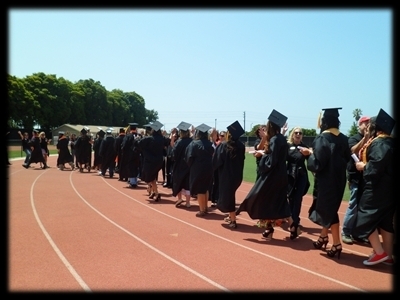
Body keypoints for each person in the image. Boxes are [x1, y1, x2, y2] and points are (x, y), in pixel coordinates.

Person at [236, 109, 292, 240]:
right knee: (276, 201)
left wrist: (262, 156)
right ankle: (274, 228)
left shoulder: (274, 140)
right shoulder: (282, 139)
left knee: (261, 198)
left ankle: (286, 226)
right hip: (282, 175)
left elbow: (270, 162)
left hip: (272, 177)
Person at [352, 109, 395, 266]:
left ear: (376, 128)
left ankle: (379, 252)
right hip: (389, 189)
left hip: (377, 188)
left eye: (370, 125)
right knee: (385, 222)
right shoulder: (391, 142)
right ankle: (389, 255)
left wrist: (363, 166)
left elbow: (376, 166)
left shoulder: (379, 143)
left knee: (364, 218)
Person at [307, 107, 351, 259]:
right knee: (329, 208)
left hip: (326, 181)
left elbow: (317, 163)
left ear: (324, 122)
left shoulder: (322, 139)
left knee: (328, 210)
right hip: (339, 180)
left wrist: (310, 155)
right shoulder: (344, 138)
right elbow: (347, 158)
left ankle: (337, 244)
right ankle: (323, 237)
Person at [341, 115, 371, 245]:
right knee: (353, 204)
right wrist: (364, 139)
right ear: (360, 125)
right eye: (365, 123)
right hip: (355, 176)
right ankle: (346, 231)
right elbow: (352, 151)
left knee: (363, 206)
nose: (367, 125)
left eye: (369, 123)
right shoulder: (353, 138)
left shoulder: (372, 139)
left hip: (366, 177)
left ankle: (358, 233)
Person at [213, 121, 245, 229]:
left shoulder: (223, 146)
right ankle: (231, 216)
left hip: (227, 175)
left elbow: (217, 161)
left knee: (229, 197)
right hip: (237, 176)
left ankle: (233, 220)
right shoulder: (241, 146)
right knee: (230, 195)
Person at [135, 121, 170, 201]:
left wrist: (137, 139)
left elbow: (138, 145)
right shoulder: (162, 139)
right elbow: (169, 142)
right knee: (153, 177)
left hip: (150, 161)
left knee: (148, 177)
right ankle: (154, 191)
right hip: (159, 161)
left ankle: (156, 192)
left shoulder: (148, 139)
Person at [184, 123, 215, 217]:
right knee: (205, 188)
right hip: (209, 168)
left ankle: (202, 210)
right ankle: (205, 207)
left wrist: (190, 165)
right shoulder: (210, 144)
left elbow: (189, 157)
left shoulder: (194, 144)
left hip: (198, 169)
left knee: (200, 190)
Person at [286, 126, 311, 239]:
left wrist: (310, 153)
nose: (298, 134)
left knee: (298, 198)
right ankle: (292, 219)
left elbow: (311, 162)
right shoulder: (288, 146)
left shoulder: (305, 147)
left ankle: (294, 222)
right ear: (293, 134)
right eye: (296, 132)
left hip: (301, 175)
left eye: (300, 133)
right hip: (290, 175)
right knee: (290, 198)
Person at [171, 122, 193, 208]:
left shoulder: (179, 142)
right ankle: (188, 202)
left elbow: (173, 154)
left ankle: (179, 198)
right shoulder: (191, 142)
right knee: (187, 184)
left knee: (178, 182)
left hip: (179, 165)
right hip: (188, 166)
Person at [120, 123, 142, 188]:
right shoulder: (139, 136)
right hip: (137, 155)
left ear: (130, 129)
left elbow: (124, 146)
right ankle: (134, 180)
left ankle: (133, 182)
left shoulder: (128, 136)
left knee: (130, 168)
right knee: (136, 167)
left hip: (129, 155)